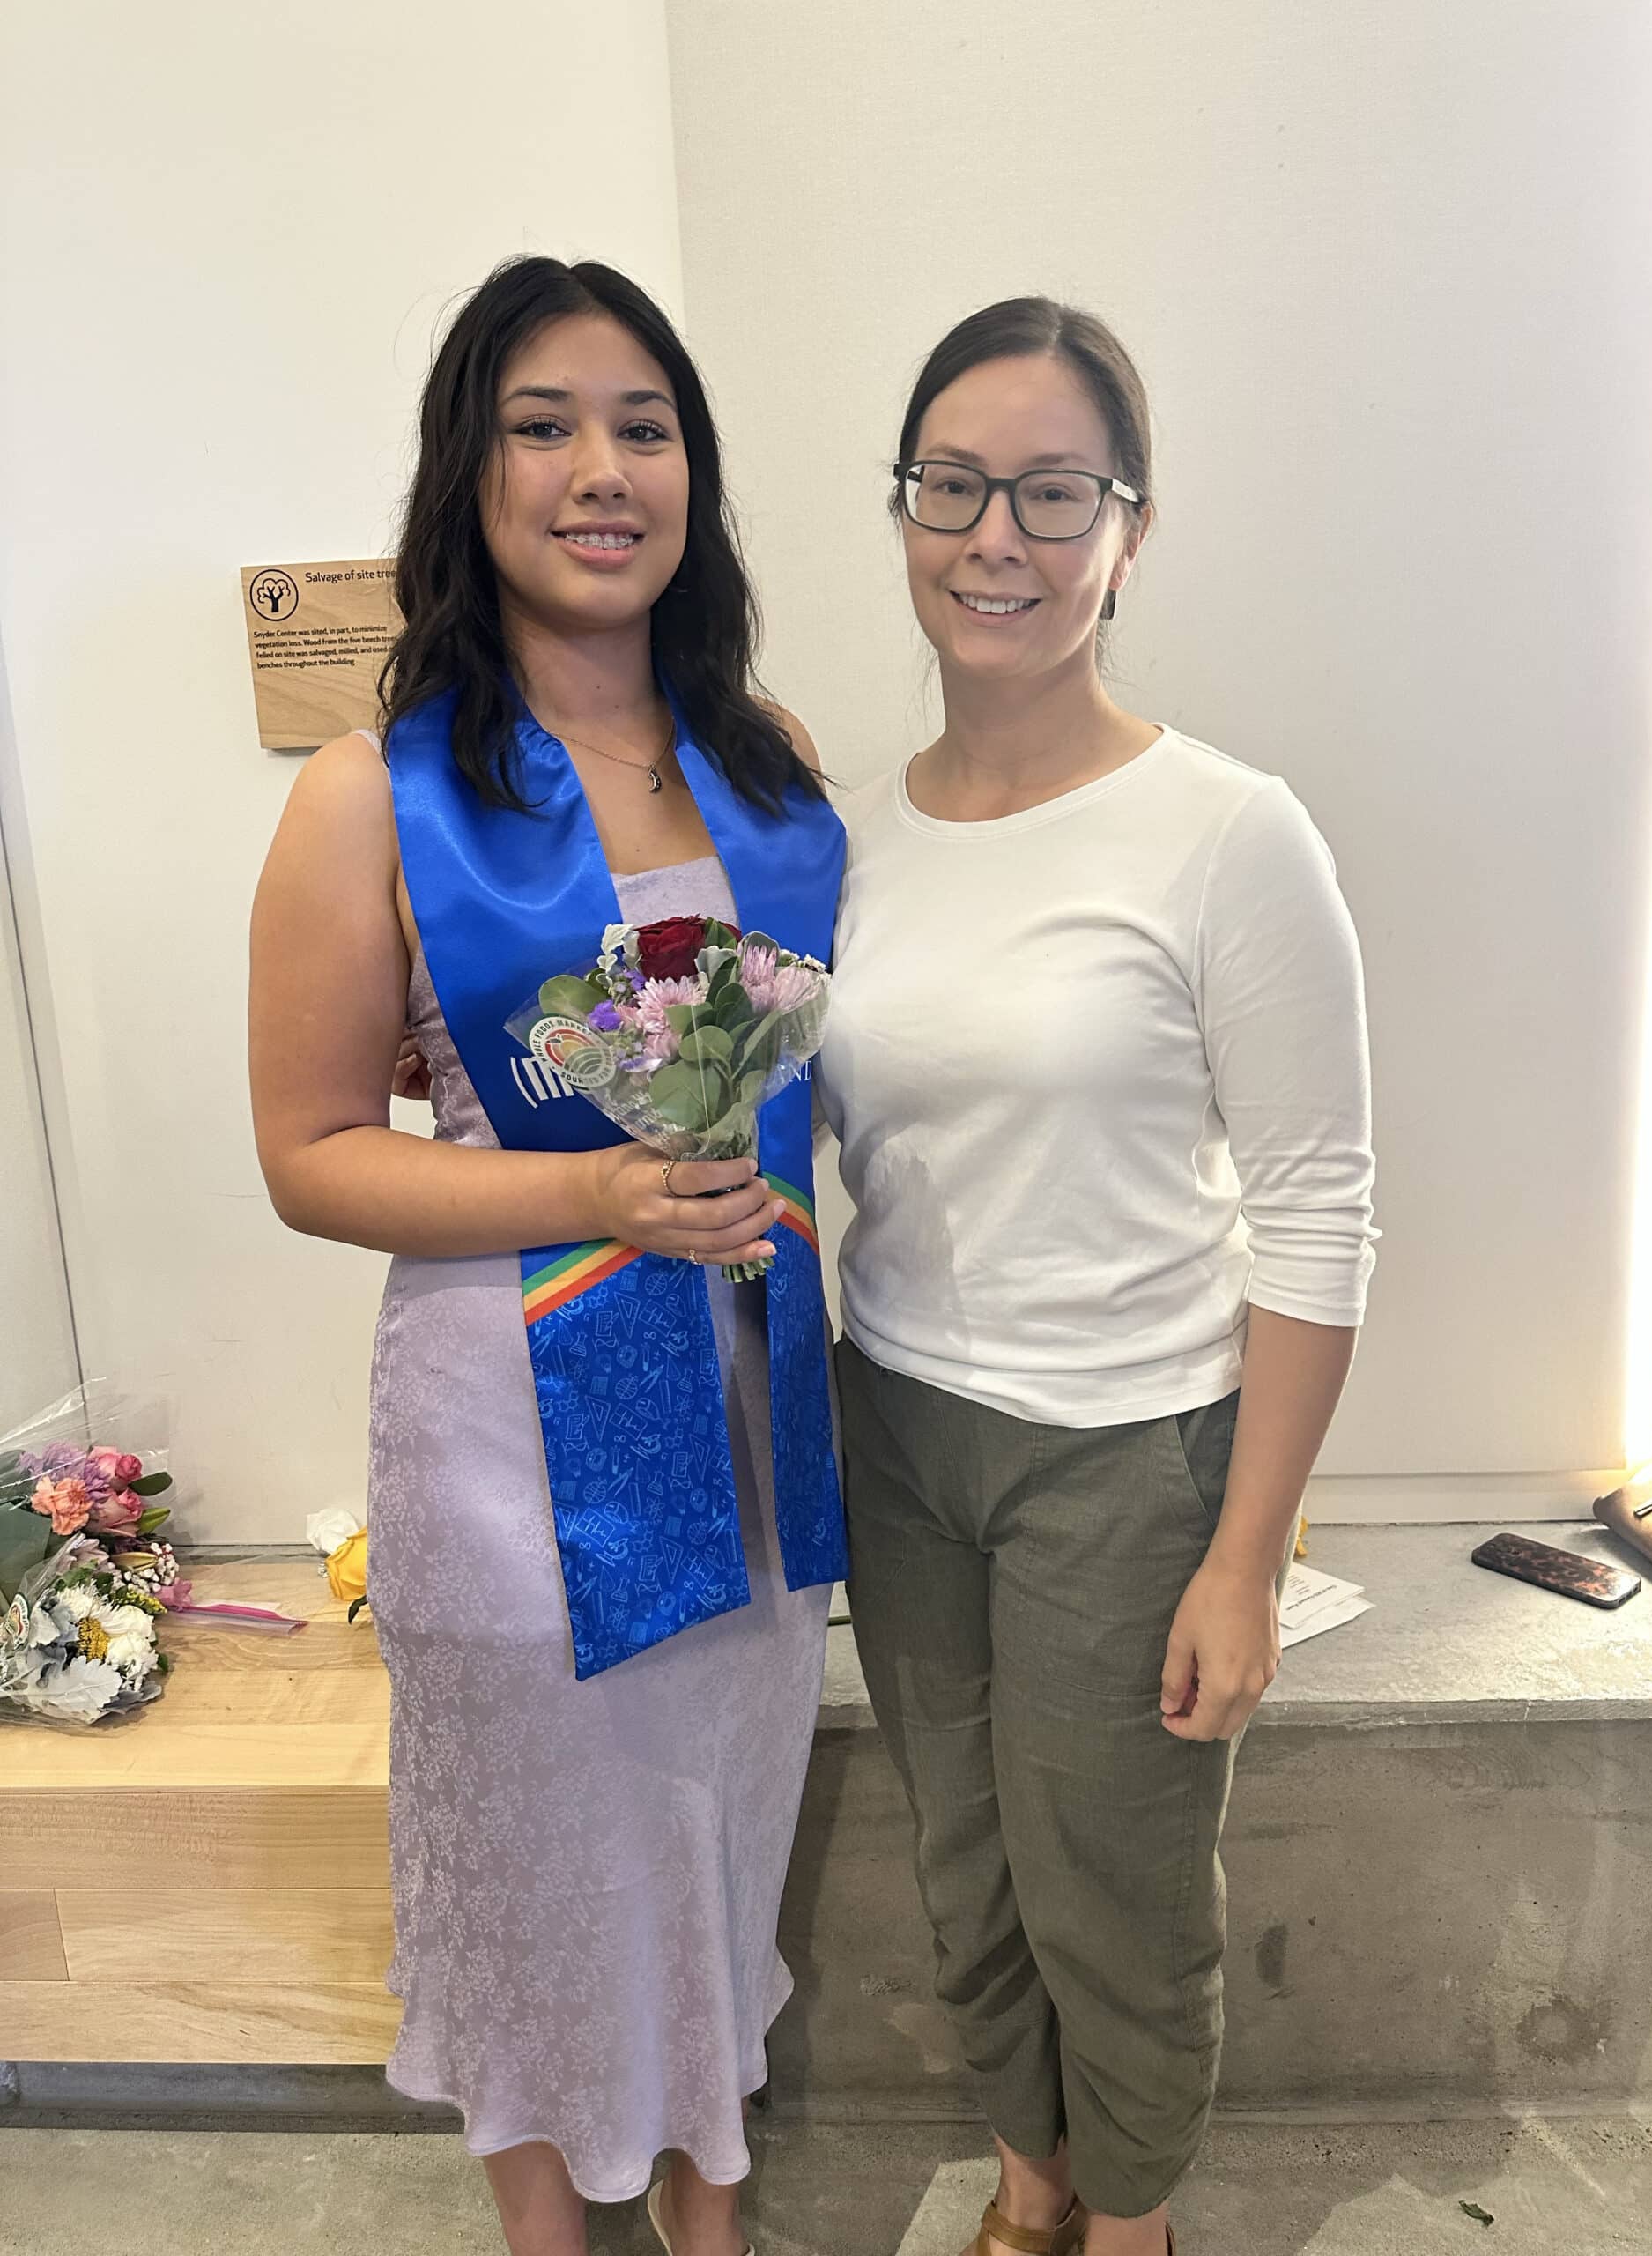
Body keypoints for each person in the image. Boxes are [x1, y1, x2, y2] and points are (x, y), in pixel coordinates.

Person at [249, 254, 847, 2256]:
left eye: (645, 427)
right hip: (509, 1434)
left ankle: (716, 2204)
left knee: (707, 1837)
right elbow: (311, 1153)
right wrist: (583, 1194)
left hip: (758, 1412)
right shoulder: (372, 795)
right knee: (542, 1857)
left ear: (696, 475)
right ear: (470, 475)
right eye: (544, 424)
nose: (602, 469)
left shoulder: (767, 763)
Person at [818, 298, 1377, 2256]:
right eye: (954, 483)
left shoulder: (1230, 833)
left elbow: (1320, 1207)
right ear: (902, 512)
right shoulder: (847, 840)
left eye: (1055, 490)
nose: (999, 533)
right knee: (967, 1871)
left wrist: (1247, 1550)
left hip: (1128, 1453)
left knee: (1115, 1891)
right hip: (895, 1428)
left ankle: (1129, 2218)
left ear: (1130, 531)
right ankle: (1027, 2178)